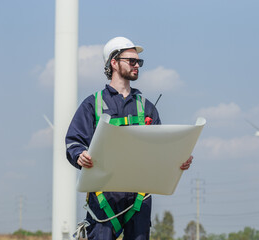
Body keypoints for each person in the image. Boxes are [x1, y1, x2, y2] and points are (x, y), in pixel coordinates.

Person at [66, 36, 193, 240]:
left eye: (139, 62)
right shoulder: (93, 104)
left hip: (139, 199)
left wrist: (178, 161)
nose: (137, 65)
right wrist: (79, 155)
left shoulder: (147, 107)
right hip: (103, 198)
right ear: (113, 62)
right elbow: (74, 141)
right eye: (131, 61)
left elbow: (161, 150)